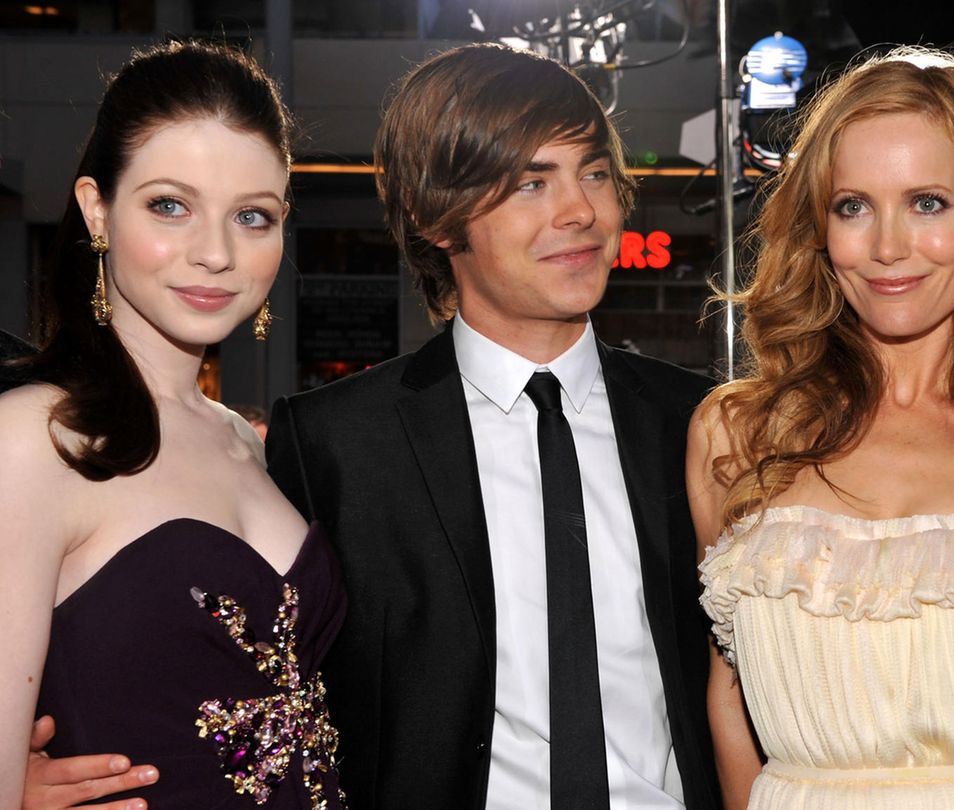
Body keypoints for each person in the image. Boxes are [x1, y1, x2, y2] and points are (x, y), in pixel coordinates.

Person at [264, 43, 721, 808]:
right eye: (531, 183)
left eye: (594, 173)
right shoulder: (335, 445)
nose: (581, 212)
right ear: (434, 216)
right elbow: (263, 689)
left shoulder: (701, 423)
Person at [689, 47, 954, 808]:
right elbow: (729, 693)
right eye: (853, 206)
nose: (887, 246)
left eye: (928, 203)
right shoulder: (739, 433)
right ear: (819, 229)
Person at [0, 40, 346, 809]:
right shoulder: (32, 441)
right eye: (170, 205)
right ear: (97, 208)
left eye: (252, 217)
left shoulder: (244, 441)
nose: (216, 253)